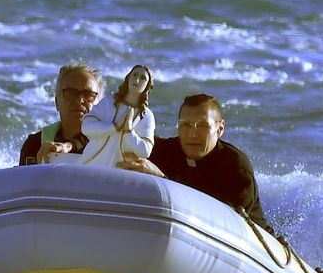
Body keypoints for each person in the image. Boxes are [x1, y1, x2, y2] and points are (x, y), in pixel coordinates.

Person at [117, 93, 274, 234]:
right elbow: (124, 140)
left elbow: (222, 223)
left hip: (255, 247)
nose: (192, 134)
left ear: (220, 129)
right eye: (185, 125)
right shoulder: (167, 150)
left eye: (203, 126)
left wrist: (163, 179)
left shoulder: (236, 167)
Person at [18, 62, 103, 165]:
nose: (79, 101)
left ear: (100, 104)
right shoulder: (34, 145)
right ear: (57, 102)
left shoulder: (111, 143)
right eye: (70, 93)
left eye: (89, 95)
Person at [79, 64, 155, 167]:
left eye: (143, 78)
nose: (137, 80)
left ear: (147, 86)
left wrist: (129, 132)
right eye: (135, 75)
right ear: (128, 78)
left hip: (120, 175)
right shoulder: (110, 102)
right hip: (91, 165)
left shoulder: (146, 116)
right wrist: (114, 127)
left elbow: (145, 151)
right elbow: (86, 127)